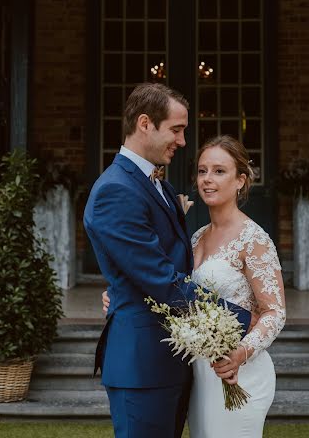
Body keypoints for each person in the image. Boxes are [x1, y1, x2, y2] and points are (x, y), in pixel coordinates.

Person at [84, 83, 250, 438]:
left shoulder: (152, 181)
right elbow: (159, 278)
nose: (183, 140)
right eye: (176, 129)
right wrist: (240, 316)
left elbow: (163, 263)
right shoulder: (116, 190)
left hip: (169, 360)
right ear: (145, 123)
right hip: (142, 366)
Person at [102, 131, 286, 438]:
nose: (207, 180)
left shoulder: (254, 239)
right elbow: (169, 287)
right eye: (202, 171)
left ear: (240, 180)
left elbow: (275, 312)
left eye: (219, 171)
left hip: (237, 373)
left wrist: (239, 354)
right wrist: (119, 294)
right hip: (198, 373)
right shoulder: (196, 237)